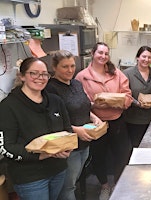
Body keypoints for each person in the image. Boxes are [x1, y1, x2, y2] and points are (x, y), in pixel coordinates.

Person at [0, 57, 72, 200]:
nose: (40, 78)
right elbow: (6, 147)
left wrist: (66, 148)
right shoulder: (8, 106)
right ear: (22, 76)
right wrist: (40, 155)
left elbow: (67, 130)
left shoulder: (55, 101)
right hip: (30, 176)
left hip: (58, 169)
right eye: (34, 73)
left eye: (45, 74)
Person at [75, 42, 133, 200]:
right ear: (93, 53)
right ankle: (104, 186)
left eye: (106, 54)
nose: (103, 56)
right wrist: (96, 104)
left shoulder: (117, 74)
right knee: (98, 156)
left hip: (117, 121)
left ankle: (118, 185)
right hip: (95, 124)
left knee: (121, 154)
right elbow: (80, 101)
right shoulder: (82, 77)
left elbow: (127, 95)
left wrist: (120, 102)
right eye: (100, 52)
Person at [45, 50, 102, 200]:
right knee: (67, 187)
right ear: (54, 67)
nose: (70, 70)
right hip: (69, 146)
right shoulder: (50, 88)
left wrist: (94, 117)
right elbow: (53, 119)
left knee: (73, 181)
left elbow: (83, 106)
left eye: (72, 66)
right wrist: (76, 130)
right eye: (65, 67)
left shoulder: (76, 83)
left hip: (84, 142)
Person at [123, 46, 151, 147]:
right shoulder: (128, 73)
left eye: (149, 57)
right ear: (137, 57)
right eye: (144, 56)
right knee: (136, 146)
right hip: (133, 118)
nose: (146, 60)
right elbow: (124, 94)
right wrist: (137, 103)